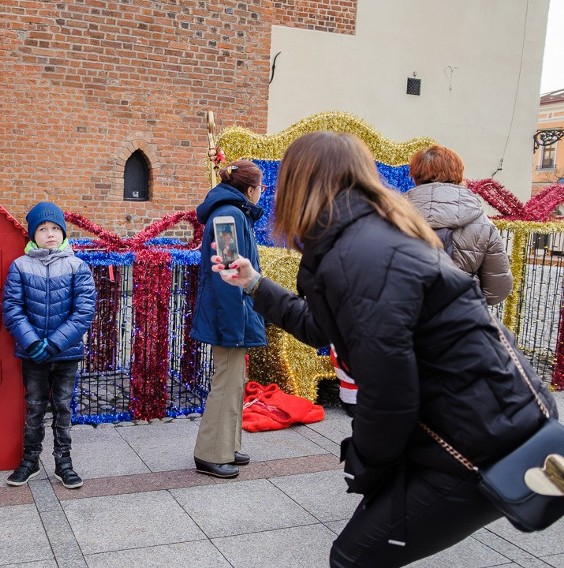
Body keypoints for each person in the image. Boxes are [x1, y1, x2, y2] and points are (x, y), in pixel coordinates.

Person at [212, 131, 556, 567]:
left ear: (302, 184)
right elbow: (322, 327)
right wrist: (254, 283)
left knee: (355, 558)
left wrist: (367, 464)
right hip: (479, 421)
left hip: (476, 437)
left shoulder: (362, 251)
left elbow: (391, 389)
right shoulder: (361, 238)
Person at [2, 202, 97, 489]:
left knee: (63, 407)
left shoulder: (77, 266)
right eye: (43, 229)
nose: (50, 233)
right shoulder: (20, 266)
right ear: (33, 235)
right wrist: (31, 342)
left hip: (65, 353)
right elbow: (12, 308)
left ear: (63, 232)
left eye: (55, 228)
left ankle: (63, 462)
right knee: (33, 407)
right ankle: (30, 460)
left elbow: (84, 311)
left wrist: (55, 343)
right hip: (33, 354)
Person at [191, 160, 267, 479]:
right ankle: (210, 453)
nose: (261, 193)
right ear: (250, 190)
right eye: (261, 188)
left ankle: (227, 445)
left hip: (234, 312)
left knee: (234, 380)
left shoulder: (233, 213)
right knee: (226, 380)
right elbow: (228, 275)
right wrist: (235, 325)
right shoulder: (228, 216)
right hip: (230, 313)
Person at [408, 144, 513, 305]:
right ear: (458, 174)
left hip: (405, 317)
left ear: (415, 175)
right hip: (460, 318)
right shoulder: (483, 223)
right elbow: (498, 289)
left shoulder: (392, 215)